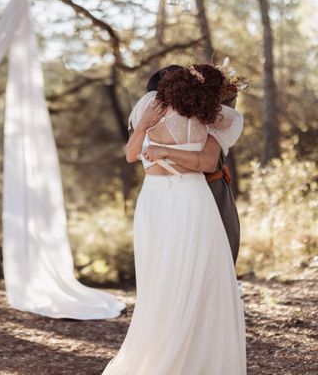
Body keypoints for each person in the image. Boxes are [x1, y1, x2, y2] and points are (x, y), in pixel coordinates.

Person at [102, 64, 246, 375]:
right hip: (175, 199)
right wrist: (148, 129)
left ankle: (188, 357)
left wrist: (160, 146)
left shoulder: (172, 109)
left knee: (190, 278)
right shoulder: (188, 113)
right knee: (174, 279)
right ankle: (177, 354)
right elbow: (133, 153)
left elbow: (136, 155)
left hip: (177, 198)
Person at [145, 65, 241, 263]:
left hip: (212, 187)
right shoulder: (149, 122)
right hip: (172, 194)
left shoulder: (207, 115)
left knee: (223, 248)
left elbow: (209, 160)